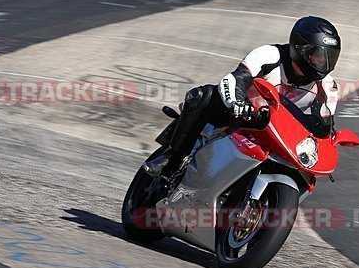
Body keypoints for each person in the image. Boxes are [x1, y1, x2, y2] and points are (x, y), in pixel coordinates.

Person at [143, 15, 341, 177]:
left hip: (282, 132)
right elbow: (236, 78)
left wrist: (330, 138)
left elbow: (323, 124)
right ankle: (173, 156)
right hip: (244, 113)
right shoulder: (269, 55)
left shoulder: (328, 86)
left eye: (328, 57)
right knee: (202, 95)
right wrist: (236, 102)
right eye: (318, 55)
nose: (323, 63)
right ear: (299, 48)